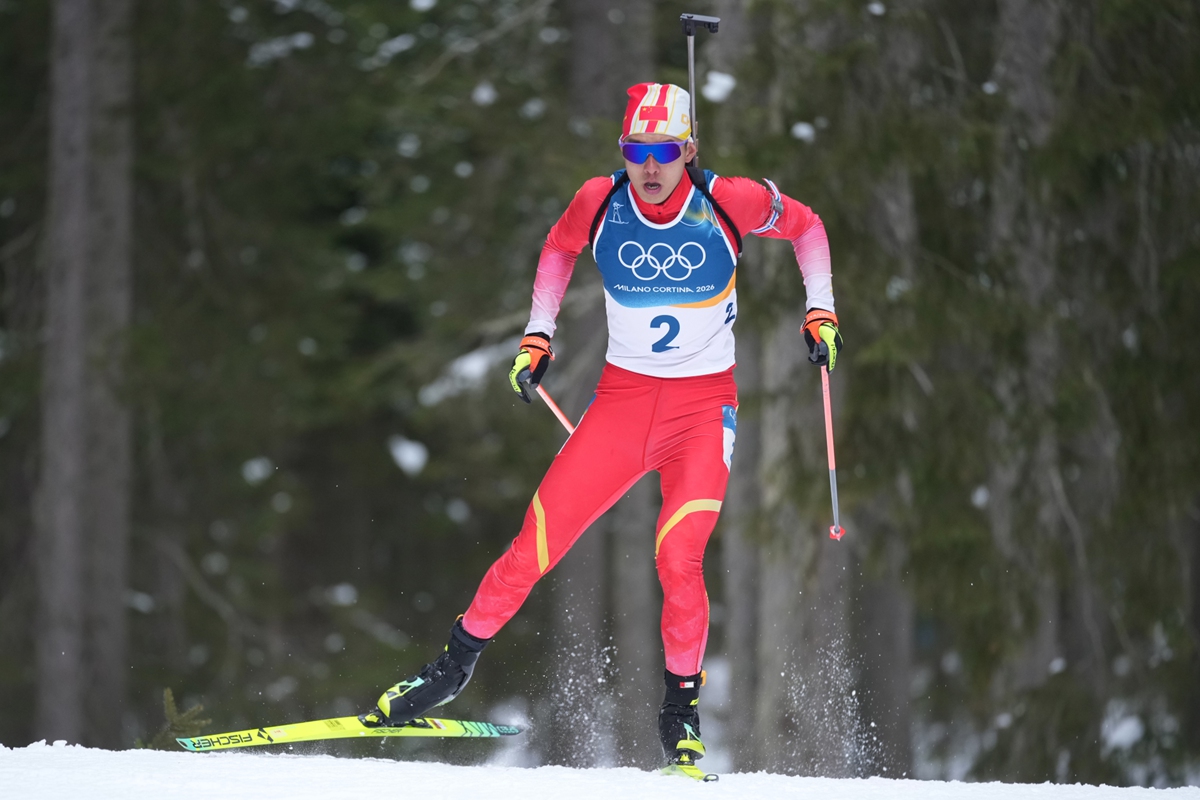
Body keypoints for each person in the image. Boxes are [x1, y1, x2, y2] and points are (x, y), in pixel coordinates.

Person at [360, 82, 841, 772]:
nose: (649, 167)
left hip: (702, 411)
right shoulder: (599, 200)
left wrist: (820, 311)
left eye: (664, 152)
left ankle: (680, 714)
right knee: (532, 547)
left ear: (689, 151)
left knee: (678, 560)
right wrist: (537, 335)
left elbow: (808, 227)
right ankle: (451, 668)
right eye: (635, 151)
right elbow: (558, 250)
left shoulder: (728, 201)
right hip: (622, 405)